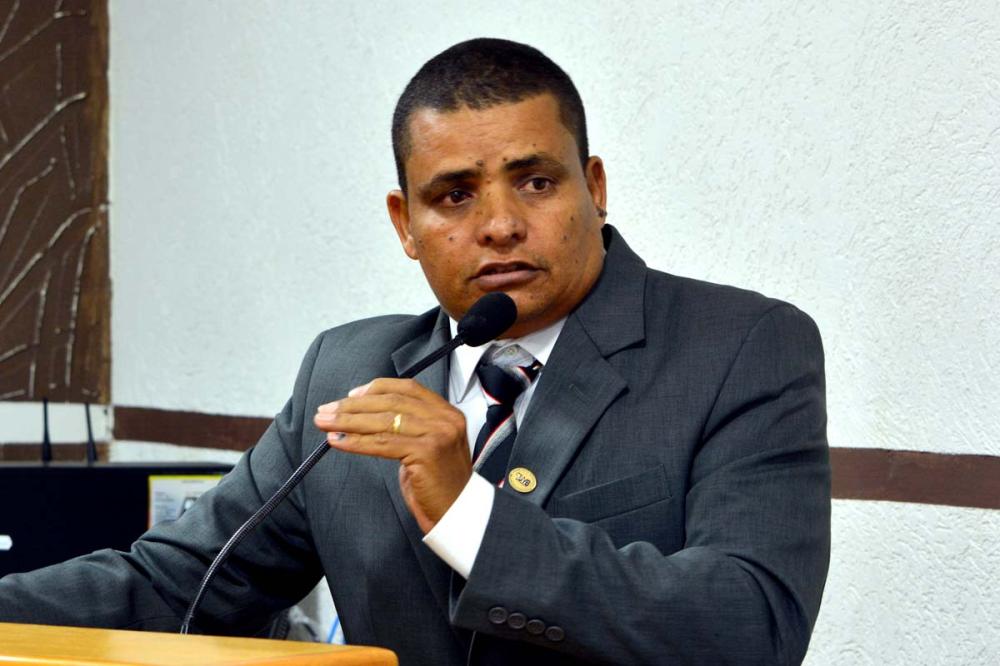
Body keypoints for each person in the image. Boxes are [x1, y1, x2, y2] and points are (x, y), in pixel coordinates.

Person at [0, 38, 830, 664]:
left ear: (596, 186)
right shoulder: (348, 370)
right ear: (406, 223)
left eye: (536, 182)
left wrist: (467, 513)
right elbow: (180, 585)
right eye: (454, 196)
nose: (499, 224)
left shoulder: (740, 346)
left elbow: (752, 623)